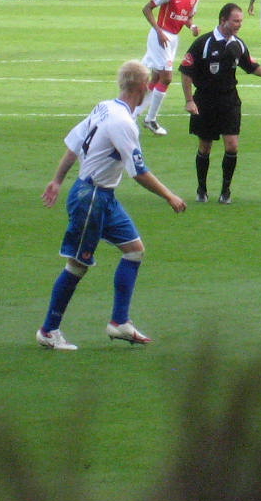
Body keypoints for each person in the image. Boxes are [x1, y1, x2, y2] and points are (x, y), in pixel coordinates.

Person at [37, 60, 187, 351]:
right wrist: (170, 196)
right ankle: (48, 330)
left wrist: (57, 180)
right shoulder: (123, 123)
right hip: (91, 198)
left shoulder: (104, 106)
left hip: (103, 196)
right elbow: (139, 172)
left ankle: (119, 322)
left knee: (134, 251)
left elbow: (74, 142)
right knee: (78, 265)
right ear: (143, 87)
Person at [179, 3, 261, 205]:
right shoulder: (203, 43)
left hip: (229, 100)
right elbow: (186, 72)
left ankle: (225, 191)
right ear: (223, 20)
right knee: (205, 147)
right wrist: (189, 100)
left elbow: (251, 66)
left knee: (232, 146)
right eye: (235, 21)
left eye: (241, 21)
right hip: (205, 100)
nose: (239, 25)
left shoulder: (238, 44)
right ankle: (201, 189)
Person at [138, 0, 200, 136]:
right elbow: (147, 8)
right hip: (161, 36)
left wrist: (192, 26)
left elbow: (186, 17)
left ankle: (135, 113)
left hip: (173, 38)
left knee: (157, 77)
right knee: (167, 78)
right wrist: (158, 31)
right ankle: (151, 119)